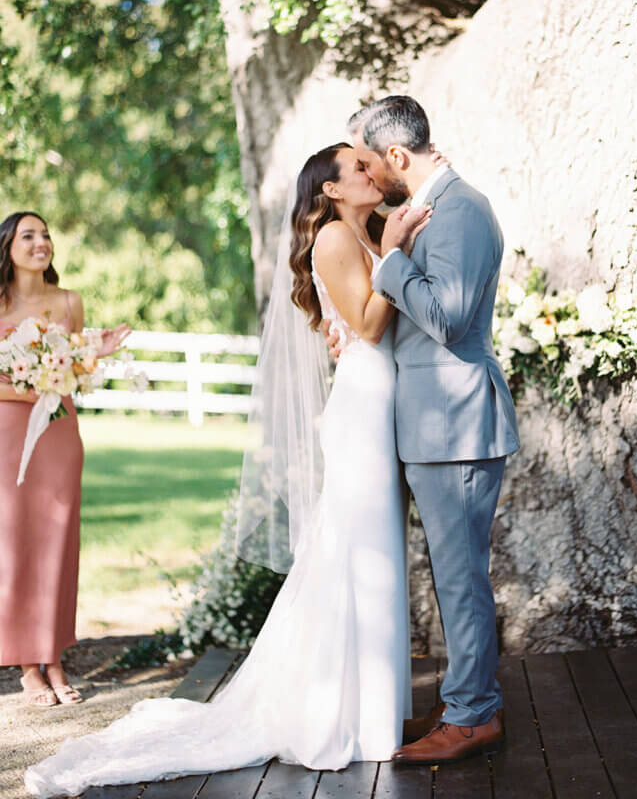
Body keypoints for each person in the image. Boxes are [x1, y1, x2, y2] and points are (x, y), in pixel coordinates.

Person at [25, 144, 431, 796]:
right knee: (359, 551)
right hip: (362, 398)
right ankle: (347, 717)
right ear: (330, 190)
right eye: (357, 168)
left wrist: (393, 245)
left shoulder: (362, 231)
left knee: (367, 551)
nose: (370, 173)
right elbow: (369, 325)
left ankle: (368, 712)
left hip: (375, 394)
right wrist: (402, 252)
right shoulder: (333, 236)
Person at [346, 96, 520, 765]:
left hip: (457, 426)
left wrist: (390, 261)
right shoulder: (426, 211)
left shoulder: (463, 210)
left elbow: (447, 319)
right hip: (428, 424)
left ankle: (473, 717)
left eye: (366, 160)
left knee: (460, 578)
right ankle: (463, 701)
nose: (364, 175)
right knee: (449, 576)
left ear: (395, 156)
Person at [0, 212, 130, 708]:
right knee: (15, 543)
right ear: (8, 246)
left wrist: (97, 353)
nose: (41, 243)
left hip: (58, 435)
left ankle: (53, 656)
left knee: (58, 539)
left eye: (46, 235)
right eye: (28, 236)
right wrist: (33, 390)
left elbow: (73, 372)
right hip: (8, 438)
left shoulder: (68, 302)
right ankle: (28, 666)